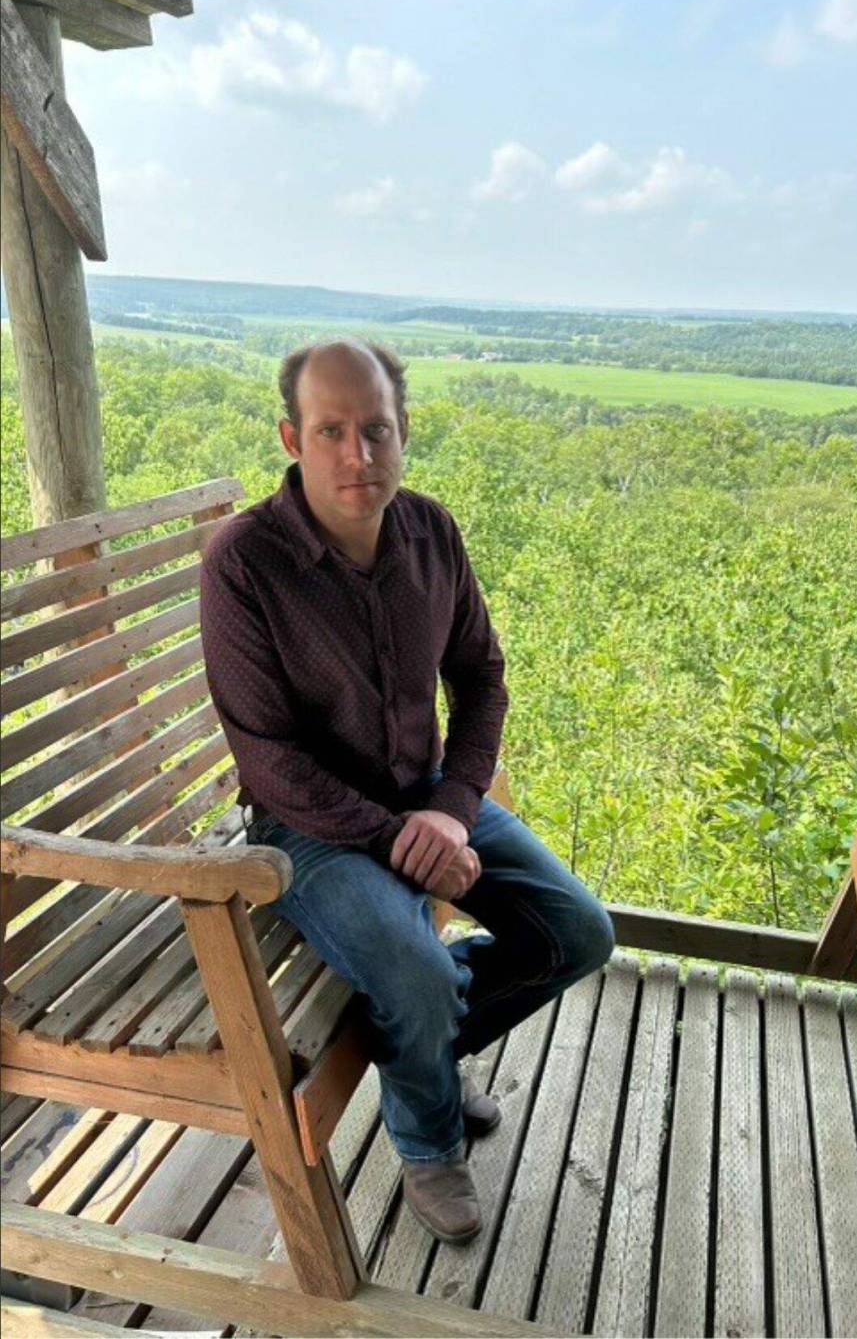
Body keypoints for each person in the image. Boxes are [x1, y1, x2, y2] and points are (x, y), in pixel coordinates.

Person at [199, 338, 615, 1245]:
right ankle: (428, 1139)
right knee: (417, 974)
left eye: (377, 429)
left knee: (580, 933)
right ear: (293, 438)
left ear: (403, 432)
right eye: (332, 431)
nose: (359, 454)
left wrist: (452, 810)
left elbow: (482, 679)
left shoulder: (430, 531)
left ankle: (419, 1053)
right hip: (304, 827)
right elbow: (268, 758)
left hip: (426, 795)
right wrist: (396, 839)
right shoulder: (246, 562)